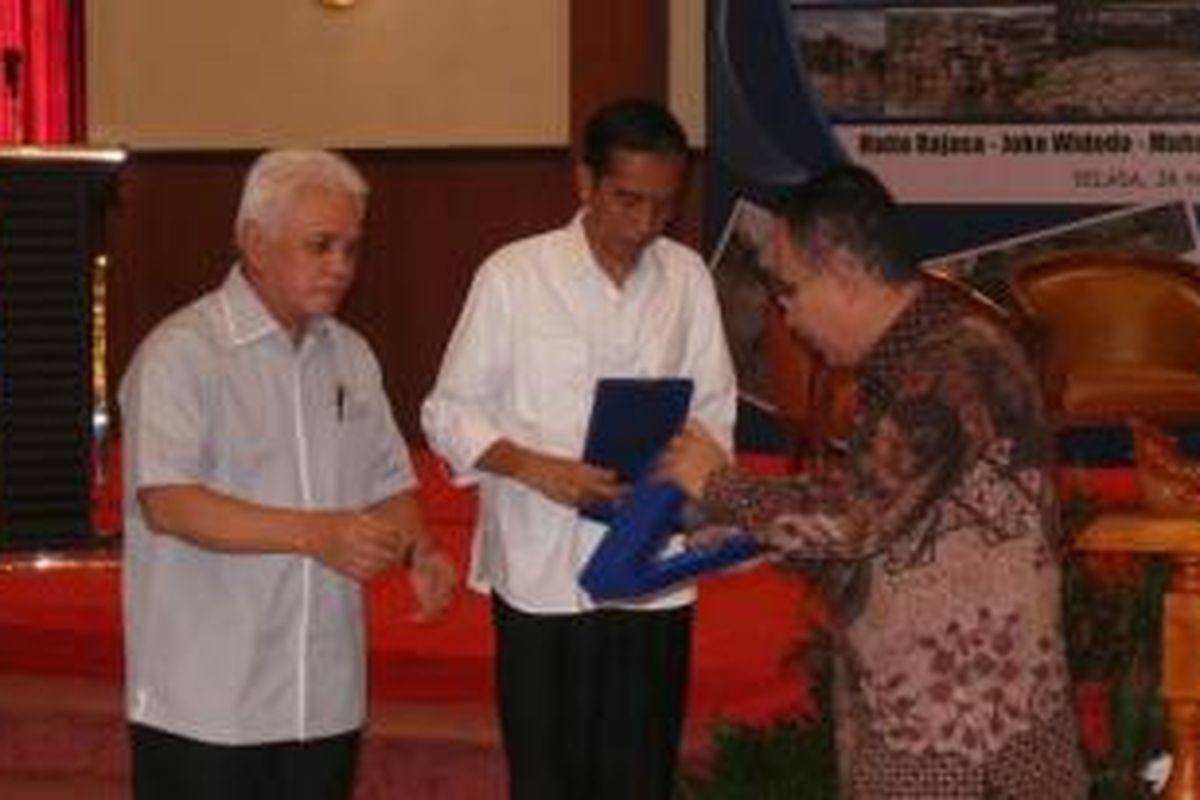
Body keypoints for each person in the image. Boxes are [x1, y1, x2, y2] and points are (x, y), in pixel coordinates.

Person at [662, 164, 1087, 798]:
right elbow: (888, 523)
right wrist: (744, 538)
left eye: (788, 289)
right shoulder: (921, 355)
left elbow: (856, 515)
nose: (785, 314)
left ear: (845, 277)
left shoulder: (952, 367)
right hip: (944, 711)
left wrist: (719, 485)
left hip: (960, 731)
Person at [421, 98, 737, 799]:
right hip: (542, 564)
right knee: (548, 773)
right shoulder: (513, 275)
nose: (645, 223)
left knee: (640, 771)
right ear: (585, 182)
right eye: (627, 200)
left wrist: (689, 474)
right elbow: (447, 412)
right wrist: (537, 469)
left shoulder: (686, 277)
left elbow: (715, 405)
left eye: (663, 205)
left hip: (650, 558)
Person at [119, 148, 456, 800]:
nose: (340, 267)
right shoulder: (182, 353)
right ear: (255, 243)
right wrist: (315, 533)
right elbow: (169, 503)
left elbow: (386, 480)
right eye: (320, 245)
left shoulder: (350, 355)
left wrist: (420, 549)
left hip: (321, 695)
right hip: (207, 700)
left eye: (351, 249)